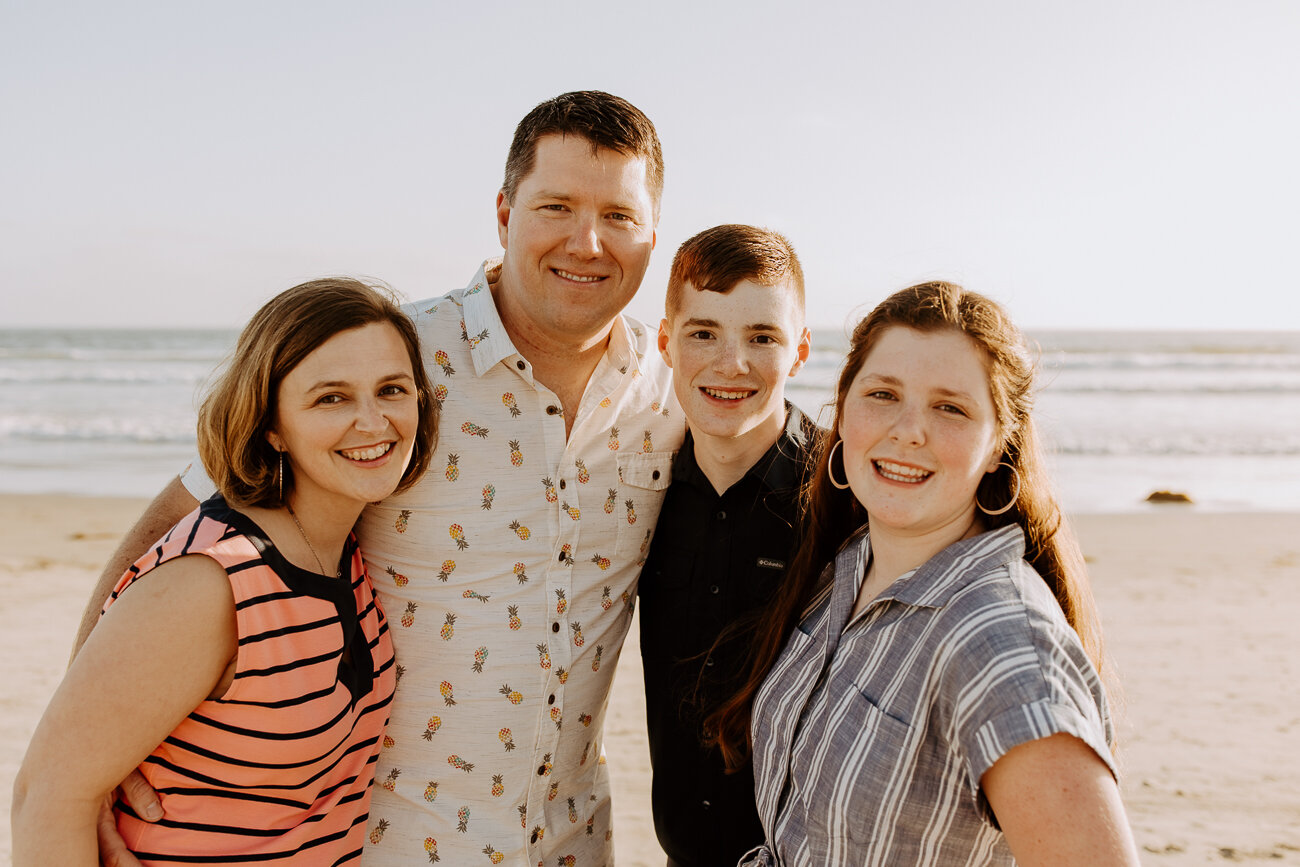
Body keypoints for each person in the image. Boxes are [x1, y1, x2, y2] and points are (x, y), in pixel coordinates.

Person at [70, 91, 684, 866]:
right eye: (555, 205)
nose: (586, 241)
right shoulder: (388, 359)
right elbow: (175, 526)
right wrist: (88, 763)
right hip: (382, 842)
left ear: (652, 234)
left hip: (569, 840)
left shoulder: (675, 397)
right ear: (503, 213)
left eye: (619, 216)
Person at [709, 282, 1142, 865]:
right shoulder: (845, 567)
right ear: (845, 408)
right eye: (883, 394)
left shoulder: (1003, 640)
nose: (909, 430)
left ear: (998, 446)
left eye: (951, 407)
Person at [13, 278, 436, 864]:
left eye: (391, 390)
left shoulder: (347, 557)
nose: (373, 421)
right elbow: (47, 796)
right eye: (330, 398)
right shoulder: (212, 581)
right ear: (272, 426)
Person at [638, 224, 814, 866]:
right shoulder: (635, 488)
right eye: (704, 331)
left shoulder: (847, 496)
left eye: (762, 337)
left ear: (798, 351)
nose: (730, 363)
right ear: (666, 342)